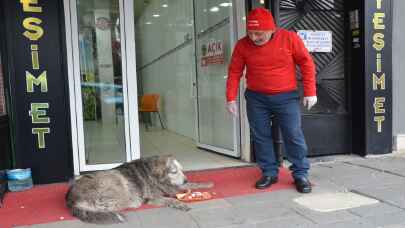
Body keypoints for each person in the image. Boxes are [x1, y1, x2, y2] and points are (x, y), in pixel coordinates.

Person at [226, 8, 317, 193]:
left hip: (286, 97)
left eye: (259, 33)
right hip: (256, 98)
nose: (254, 37)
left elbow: (306, 62)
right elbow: (234, 71)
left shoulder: (289, 38)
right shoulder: (242, 45)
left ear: (271, 29)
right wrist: (230, 98)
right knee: (260, 135)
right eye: (250, 33)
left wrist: (310, 92)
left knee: (293, 133)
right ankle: (269, 172)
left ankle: (300, 173)